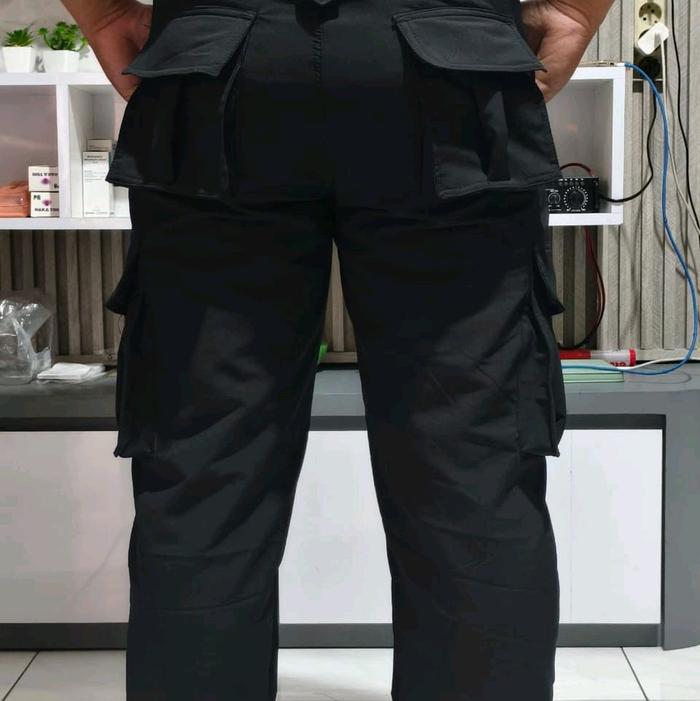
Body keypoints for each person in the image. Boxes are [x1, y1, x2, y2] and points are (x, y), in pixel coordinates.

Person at [61, 0, 615, 699]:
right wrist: (569, 10)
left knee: (204, 461)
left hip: (220, 63)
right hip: (449, 60)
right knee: (471, 459)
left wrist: (107, 13)